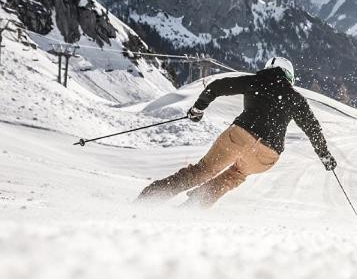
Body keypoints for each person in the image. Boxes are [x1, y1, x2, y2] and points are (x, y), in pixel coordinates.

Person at [136, 57, 337, 207]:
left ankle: (148, 199)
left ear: (269, 69)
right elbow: (313, 129)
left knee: (202, 171)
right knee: (234, 176)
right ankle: (194, 206)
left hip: (239, 137)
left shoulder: (255, 81)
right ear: (289, 77)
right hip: (268, 154)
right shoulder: (296, 98)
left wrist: (198, 109)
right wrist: (325, 156)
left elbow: (215, 87)